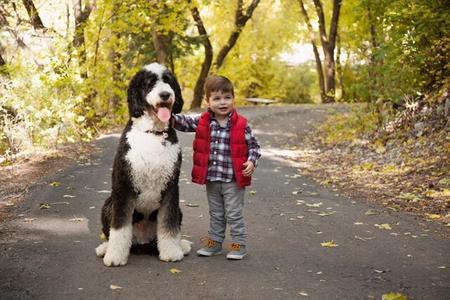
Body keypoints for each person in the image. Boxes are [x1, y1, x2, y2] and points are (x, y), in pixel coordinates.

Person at [173, 75, 261, 260]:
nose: (223, 102)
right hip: (212, 179)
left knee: (233, 214)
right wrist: (166, 115)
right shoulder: (203, 121)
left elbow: (254, 146)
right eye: (217, 98)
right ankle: (215, 243)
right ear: (208, 101)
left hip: (233, 180)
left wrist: (251, 161)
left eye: (227, 97)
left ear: (233, 99)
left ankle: (239, 244)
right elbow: (183, 122)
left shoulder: (242, 124)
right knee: (216, 213)